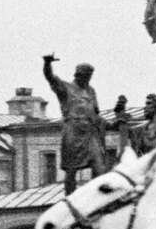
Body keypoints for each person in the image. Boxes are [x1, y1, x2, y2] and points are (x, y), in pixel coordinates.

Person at [43, 55, 110, 193]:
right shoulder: (66, 88)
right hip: (73, 132)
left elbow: (96, 113)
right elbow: (50, 77)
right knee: (71, 169)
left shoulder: (91, 91)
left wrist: (109, 124)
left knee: (99, 167)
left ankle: (97, 196)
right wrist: (47, 63)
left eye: (89, 76)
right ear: (78, 75)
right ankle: (70, 198)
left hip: (90, 133)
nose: (87, 79)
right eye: (85, 76)